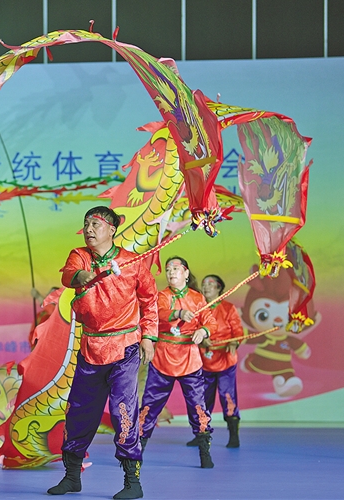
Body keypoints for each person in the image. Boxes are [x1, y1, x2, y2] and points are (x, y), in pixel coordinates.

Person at [48, 206, 157, 499]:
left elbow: (149, 300)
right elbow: (69, 275)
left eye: (95, 224)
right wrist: (81, 276)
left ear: (112, 229)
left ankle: (132, 482)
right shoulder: (80, 256)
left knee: (124, 410)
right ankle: (72, 476)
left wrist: (148, 337)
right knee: (79, 411)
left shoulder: (132, 262)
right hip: (91, 347)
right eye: (86, 224)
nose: (89, 229)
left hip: (125, 347)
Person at [138, 256, 217, 469]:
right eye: (168, 269)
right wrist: (179, 313)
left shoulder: (197, 298)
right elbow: (160, 313)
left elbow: (210, 321)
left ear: (186, 273)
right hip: (163, 357)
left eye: (176, 268)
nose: (171, 272)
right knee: (150, 405)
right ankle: (137, 451)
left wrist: (203, 331)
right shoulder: (162, 296)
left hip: (190, 358)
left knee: (198, 406)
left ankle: (204, 451)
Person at [186, 275, 244, 448]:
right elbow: (191, 330)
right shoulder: (198, 309)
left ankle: (233, 435)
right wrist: (201, 340)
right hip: (204, 361)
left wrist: (234, 342)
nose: (206, 287)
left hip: (225, 360)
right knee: (203, 399)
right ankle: (201, 435)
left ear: (219, 288)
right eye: (204, 284)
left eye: (211, 284)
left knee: (228, 396)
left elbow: (238, 331)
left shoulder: (228, 308)